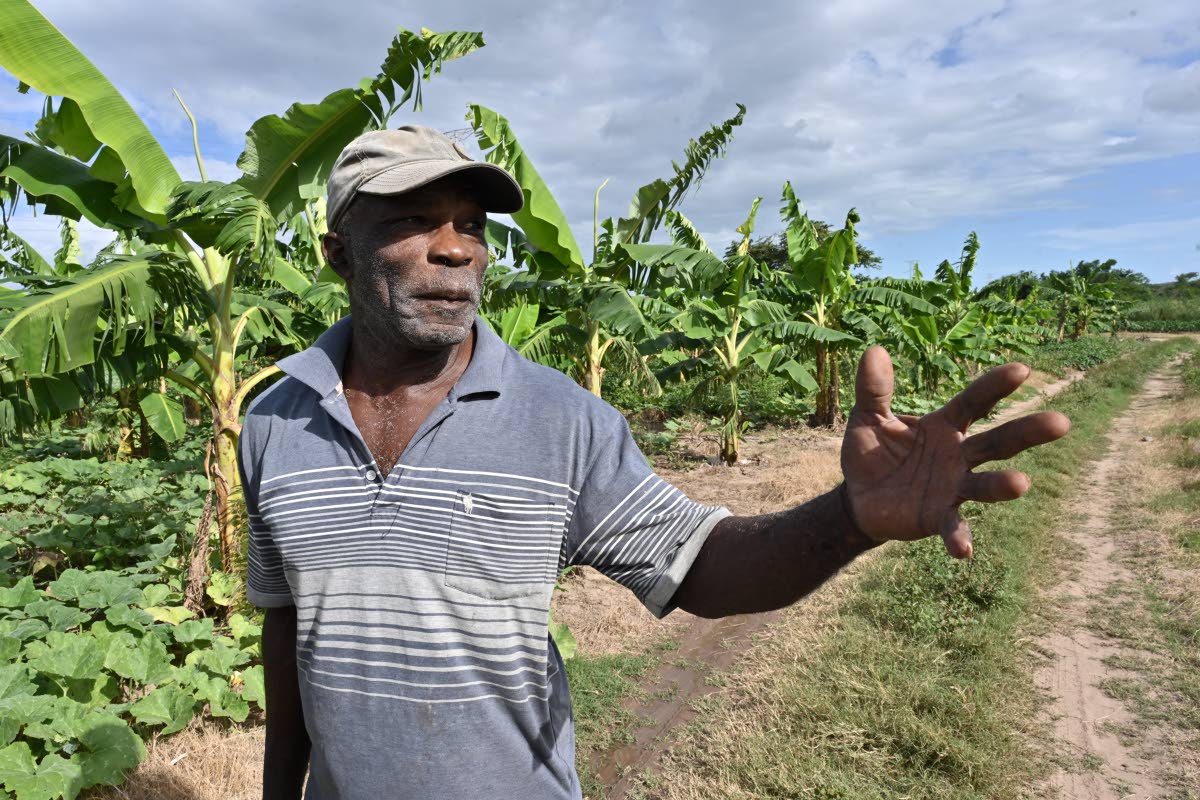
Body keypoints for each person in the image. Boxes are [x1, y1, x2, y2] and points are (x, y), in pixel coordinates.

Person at [237, 125, 1070, 800]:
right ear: (339, 253)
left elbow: (701, 567)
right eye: (413, 221)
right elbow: (288, 626)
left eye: (472, 225)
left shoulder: (560, 420)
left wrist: (850, 519)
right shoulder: (276, 422)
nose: (455, 249)